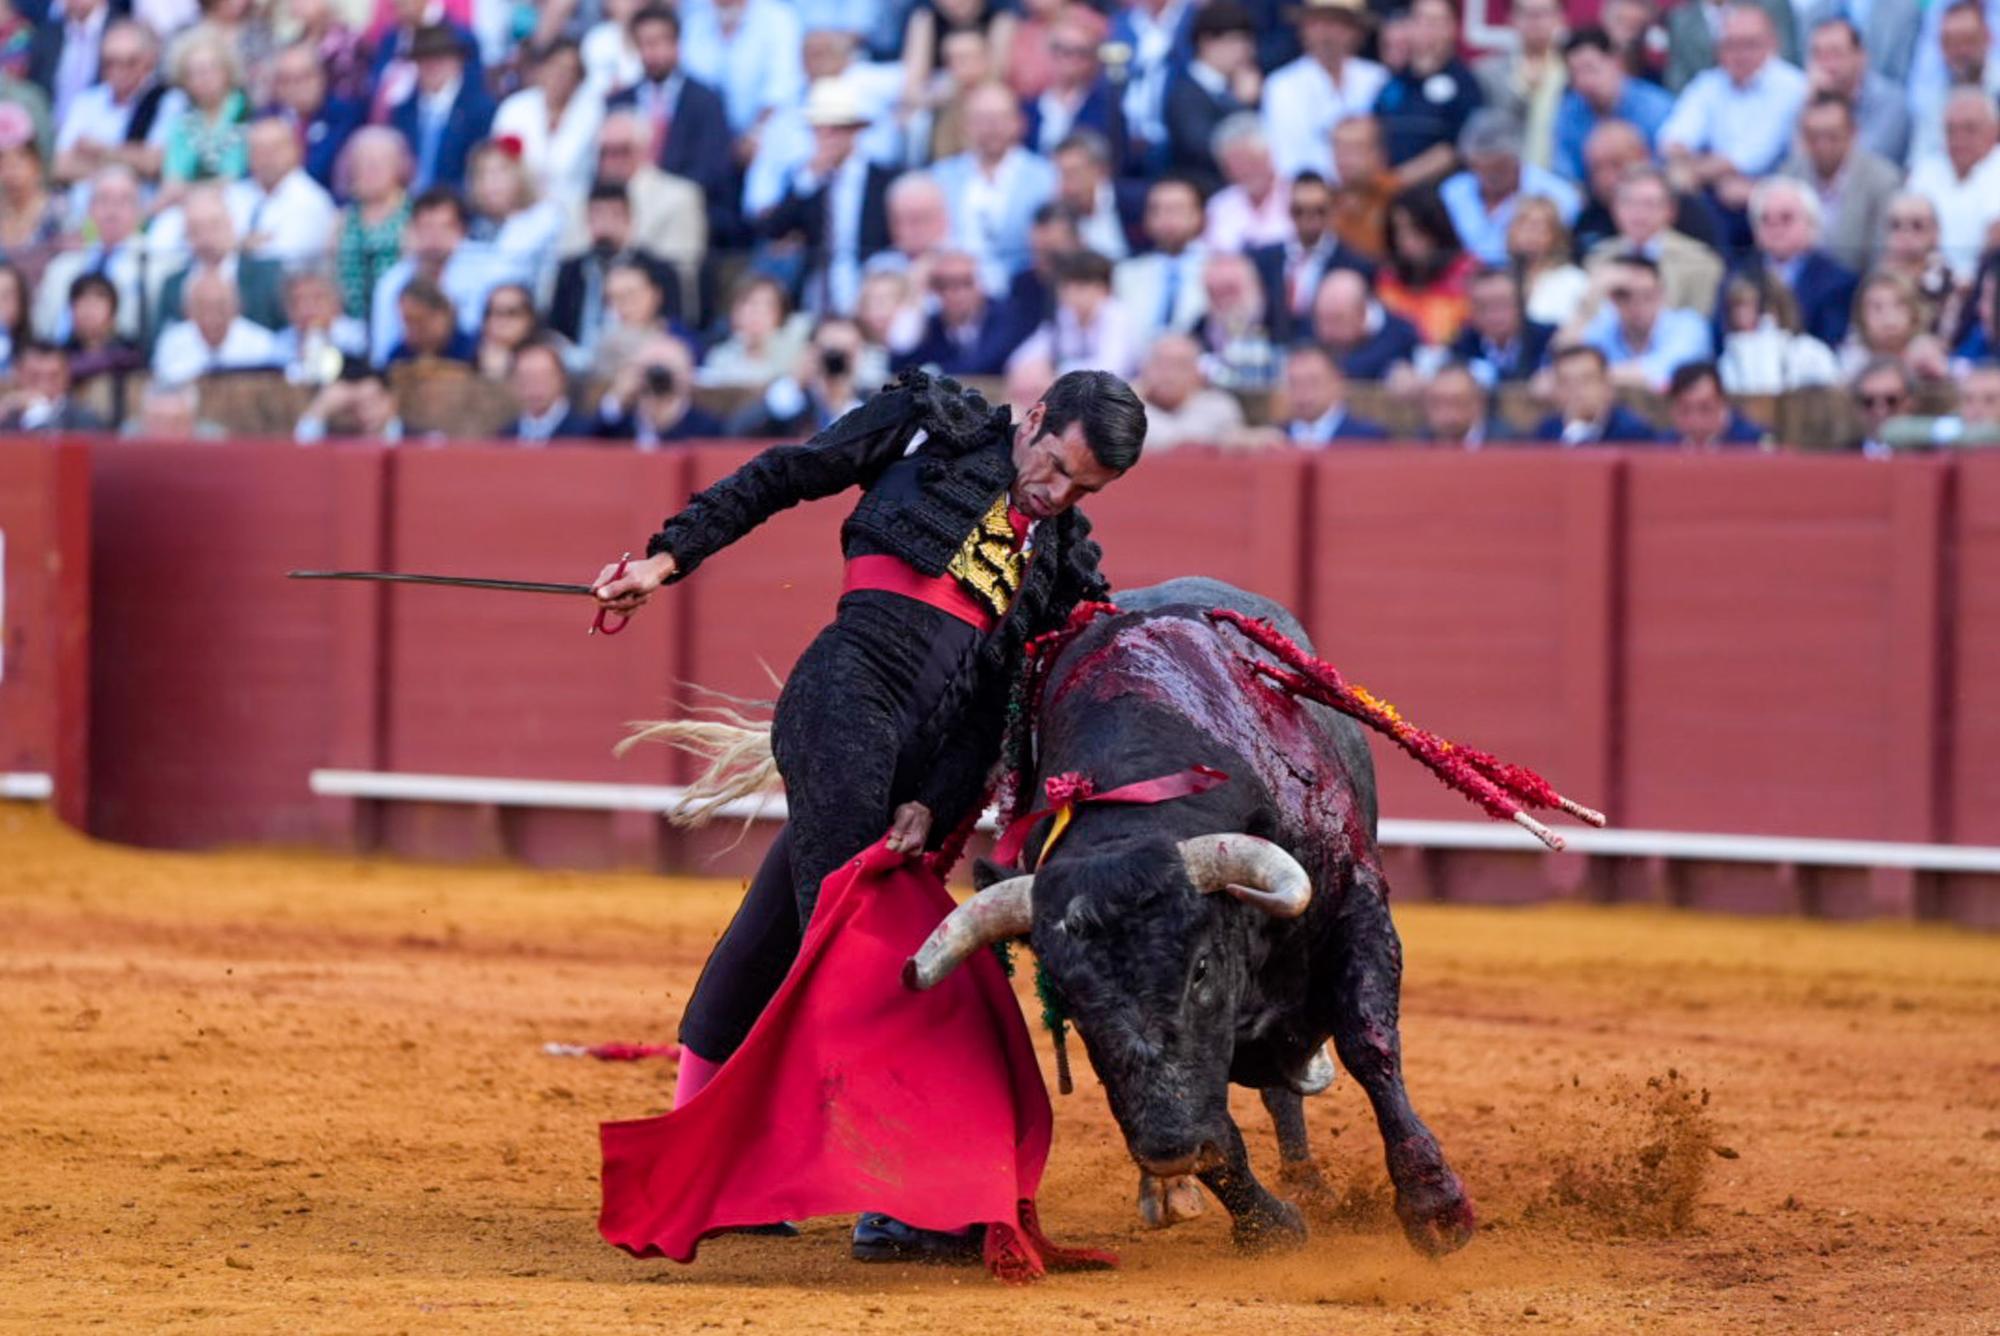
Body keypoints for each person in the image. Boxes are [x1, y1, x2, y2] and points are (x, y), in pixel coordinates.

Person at [591, 366, 1141, 1262]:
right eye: (1055, 465)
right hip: (843, 698)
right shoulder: (933, 428)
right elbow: (782, 474)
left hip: (922, 764)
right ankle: (891, 1192)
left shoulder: (1060, 559)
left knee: (782, 923)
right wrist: (663, 559)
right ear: (1036, 415)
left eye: (1085, 488)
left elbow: (992, 708)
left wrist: (938, 800)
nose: (1057, 493)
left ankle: (712, 1157)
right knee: (861, 936)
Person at [754, 79, 899, 316]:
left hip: (870, 289)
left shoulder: (884, 181)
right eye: (820, 129)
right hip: (817, 293)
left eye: (837, 129)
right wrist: (808, 178)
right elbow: (772, 230)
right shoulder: (806, 180)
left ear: (855, 131)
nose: (828, 137)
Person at [1659, 5, 1808, 213]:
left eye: (1749, 44)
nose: (1739, 54)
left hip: (1772, 195)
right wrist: (1680, 166)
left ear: (1772, 43)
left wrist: (1691, 171)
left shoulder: (1793, 87)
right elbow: (1673, 140)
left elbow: (1751, 157)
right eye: (1730, 45)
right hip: (1713, 192)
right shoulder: (1709, 84)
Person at [606, 2, 735, 239]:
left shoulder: (706, 101)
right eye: (644, 43)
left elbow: (712, 169)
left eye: (659, 42)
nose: (652, 52)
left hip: (688, 213)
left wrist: (665, 195)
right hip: (627, 213)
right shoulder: (618, 102)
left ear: (677, 43)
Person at [931, 82, 1058, 290]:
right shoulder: (940, 176)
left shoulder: (1045, 176)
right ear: (966, 126)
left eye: (999, 119)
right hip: (953, 290)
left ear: (1019, 123)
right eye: (981, 120)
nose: (991, 128)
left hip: (1021, 289)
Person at [49, 18, 183, 193]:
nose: (118, 70)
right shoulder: (87, 100)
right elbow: (60, 165)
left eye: (130, 62)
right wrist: (127, 161)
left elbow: (155, 163)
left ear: (149, 61)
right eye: (109, 62)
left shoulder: (167, 100)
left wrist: (100, 150)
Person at [1722, 177, 1858, 348]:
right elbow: (1722, 334)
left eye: (1786, 218)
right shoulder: (1737, 275)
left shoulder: (1838, 282)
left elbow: (1830, 341)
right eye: (1765, 219)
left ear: (1811, 224)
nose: (1775, 227)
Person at [1437, 107, 1582, 267]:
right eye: (1479, 167)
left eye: (1498, 167)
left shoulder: (1560, 196)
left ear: (1515, 157)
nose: (1490, 176)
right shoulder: (1452, 192)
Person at [1262, 0, 1385, 182]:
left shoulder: (1377, 79)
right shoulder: (1281, 86)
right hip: (1309, 197)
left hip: (1368, 194)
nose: (1327, 34)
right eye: (1318, 24)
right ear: (1304, 30)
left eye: (1337, 24)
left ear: (1356, 32)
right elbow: (1284, 158)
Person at [1778, 93, 1902, 274]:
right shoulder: (1789, 175)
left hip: (1857, 288)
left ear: (1853, 133)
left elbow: (1882, 256)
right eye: (1813, 136)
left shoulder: (1882, 181)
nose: (1822, 144)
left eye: (1832, 136)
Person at [552, 184, 683, 354]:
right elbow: (556, 328)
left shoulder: (659, 271)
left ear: (630, 220)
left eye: (615, 215)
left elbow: (672, 326)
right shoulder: (570, 270)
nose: (606, 225)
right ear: (587, 221)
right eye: (597, 215)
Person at [1247, 171, 1374, 343]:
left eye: (1319, 211)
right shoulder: (1262, 260)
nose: (1309, 219)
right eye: (1299, 211)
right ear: (1288, 211)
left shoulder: (1356, 265)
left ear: (1333, 210)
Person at [1374, 0, 1484, 188]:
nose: (1427, 29)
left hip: (1439, 197)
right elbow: (1374, 132)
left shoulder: (1465, 85)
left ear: (1453, 28)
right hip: (1386, 190)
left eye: (1436, 22)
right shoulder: (1393, 81)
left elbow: (1455, 149)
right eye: (1420, 20)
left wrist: (1396, 180)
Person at [490, 37, 606, 203]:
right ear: (541, 69)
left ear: (579, 78)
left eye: (569, 70)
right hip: (520, 206)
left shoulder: (593, 113)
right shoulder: (514, 109)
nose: (560, 76)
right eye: (555, 67)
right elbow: (501, 162)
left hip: (574, 209)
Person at [1576, 251, 1714, 391]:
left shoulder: (1688, 325)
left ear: (1661, 294)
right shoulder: (1605, 324)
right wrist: (1591, 298)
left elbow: (1663, 373)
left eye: (1647, 295)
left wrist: (1589, 377)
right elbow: (1564, 364)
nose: (1637, 304)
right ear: (1612, 299)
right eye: (1625, 296)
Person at [1553, 27, 1673, 183]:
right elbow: (1565, 175)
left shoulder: (1656, 107)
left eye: (1590, 69)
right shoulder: (1568, 111)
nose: (1584, 81)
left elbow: (1669, 168)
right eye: (1575, 73)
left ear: (1616, 63)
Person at [1163, 0, 1258, 191]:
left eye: (1247, 42)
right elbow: (1207, 150)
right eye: (1235, 41)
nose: (1245, 51)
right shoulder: (1185, 93)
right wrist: (1241, 105)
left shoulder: (1239, 86)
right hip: (1204, 192)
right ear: (1206, 42)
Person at [387, 24, 494, 193]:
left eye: (440, 57)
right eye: (424, 58)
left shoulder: (480, 110)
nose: (432, 65)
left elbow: (478, 171)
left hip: (459, 206)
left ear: (458, 61)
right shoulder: (402, 113)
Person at [1906, 88, 2000, 280]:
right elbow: (1907, 231)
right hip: (1923, 280)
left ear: (1995, 130)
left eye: (1970, 129)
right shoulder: (1926, 171)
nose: (1959, 139)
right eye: (1950, 130)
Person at [731, 317, 874, 436]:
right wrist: (795, 382)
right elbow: (738, 432)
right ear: (812, 352)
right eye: (830, 351)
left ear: (860, 355)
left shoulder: (873, 404)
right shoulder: (791, 400)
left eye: (847, 351)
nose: (837, 360)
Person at [227, 114, 337, 265]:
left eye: (274, 149)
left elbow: (280, 261)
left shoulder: (310, 201)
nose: (266, 158)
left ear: (296, 150)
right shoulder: (234, 195)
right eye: (258, 150)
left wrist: (232, 245)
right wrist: (244, 244)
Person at [1010, 249, 1138, 378]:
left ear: (1103, 289)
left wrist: (1056, 370)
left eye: (1080, 288)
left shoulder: (1117, 315)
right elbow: (1020, 359)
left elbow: (1112, 369)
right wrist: (1032, 366)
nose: (1070, 295)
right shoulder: (1064, 316)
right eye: (1065, 287)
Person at [1472, 0, 1568, 173]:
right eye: (1527, 13)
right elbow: (1482, 136)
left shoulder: (1573, 71)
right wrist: (1522, 94)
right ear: (1511, 19)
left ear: (1560, 18)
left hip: (1559, 180)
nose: (1536, 21)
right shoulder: (1487, 73)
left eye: (1544, 12)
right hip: (1505, 183)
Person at [891, 248, 1020, 375]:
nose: (953, 292)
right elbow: (898, 361)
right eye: (942, 284)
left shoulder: (1004, 315)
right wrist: (916, 292)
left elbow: (985, 362)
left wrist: (934, 374)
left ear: (980, 284)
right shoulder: (934, 325)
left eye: (965, 282)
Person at [1799, 17, 1908, 167]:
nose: (1827, 65)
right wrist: (1811, 104)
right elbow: (1797, 163)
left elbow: (1861, 165)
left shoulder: (1890, 102)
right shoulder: (1809, 96)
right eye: (1819, 55)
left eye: (1835, 54)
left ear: (1861, 56)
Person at [1113, 176, 1210, 343]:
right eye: (1157, 210)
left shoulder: (1218, 268)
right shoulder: (1126, 272)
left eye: (1177, 209)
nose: (1167, 218)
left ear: (1199, 215)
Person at [1377, 186, 1476, 347]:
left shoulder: (1469, 273)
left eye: (1415, 230)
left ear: (1435, 228)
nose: (1405, 241)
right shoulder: (1387, 278)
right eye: (1398, 231)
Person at [1715, 268, 1841, 393]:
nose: (1740, 315)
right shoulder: (1728, 360)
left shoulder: (1811, 353)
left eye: (1747, 306)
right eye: (1735, 307)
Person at [1906, 0, 2000, 167]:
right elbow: (1919, 161)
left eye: (1968, 41)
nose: (1960, 51)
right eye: (1951, 43)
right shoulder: (1934, 101)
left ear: (1988, 38)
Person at [150, 269, 281, 385]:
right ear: (187, 311)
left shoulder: (261, 343)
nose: (211, 317)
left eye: (220, 308)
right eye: (202, 308)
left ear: (237, 307)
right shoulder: (171, 343)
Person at [1020, 4, 1118, 158]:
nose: (1070, 61)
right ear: (1049, 52)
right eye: (1062, 50)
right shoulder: (1027, 109)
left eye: (1080, 53)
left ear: (1093, 59)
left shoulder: (1107, 109)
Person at [597, 333, 724, 446]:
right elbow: (584, 445)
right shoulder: (619, 424)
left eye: (666, 369)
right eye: (649, 369)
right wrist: (616, 399)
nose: (657, 379)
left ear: (688, 375)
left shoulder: (706, 428)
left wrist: (669, 421)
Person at [1135, 330, 1248, 448]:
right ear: (1144, 369)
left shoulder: (1219, 406)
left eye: (1180, 366)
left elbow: (1178, 443)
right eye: (1160, 364)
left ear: (1198, 374)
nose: (1169, 375)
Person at [699, 272, 813, 388]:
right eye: (751, 304)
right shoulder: (719, 358)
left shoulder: (793, 360)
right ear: (735, 312)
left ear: (780, 316)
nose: (758, 313)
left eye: (768, 307)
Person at [1533, 344, 1664, 442]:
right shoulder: (1546, 432)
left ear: (1606, 386)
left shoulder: (1633, 432)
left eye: (1586, 380)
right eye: (1566, 382)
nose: (1576, 390)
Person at [1310, 266, 1422, 379]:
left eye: (1336, 320)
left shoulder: (1403, 337)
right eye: (1320, 319)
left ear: (1362, 313)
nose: (1326, 331)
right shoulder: (1307, 328)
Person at [1202, 114, 1291, 254]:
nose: (1245, 170)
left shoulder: (1296, 196)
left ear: (1268, 156)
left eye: (1250, 161)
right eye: (1236, 165)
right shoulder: (1218, 207)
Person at [1450, 265, 1555, 384]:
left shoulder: (1550, 340)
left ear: (1522, 303)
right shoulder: (1461, 348)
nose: (1493, 315)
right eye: (1482, 307)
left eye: (1502, 304)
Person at [1664, 0, 1798, 93]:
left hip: (1769, 96)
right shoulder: (1680, 19)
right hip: (1708, 106)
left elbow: (1786, 57)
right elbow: (1677, 80)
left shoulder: (1771, 4)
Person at [1838, 270, 1950, 381]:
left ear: (1914, 311)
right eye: (1877, 307)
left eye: (1899, 305)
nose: (1888, 317)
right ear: (1860, 316)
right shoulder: (1850, 362)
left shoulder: (1928, 354)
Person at [1276, 340, 1388, 444]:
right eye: (1294, 383)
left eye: (1312, 383)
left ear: (1337, 383)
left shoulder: (1368, 439)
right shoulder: (1274, 440)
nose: (1302, 393)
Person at [1505, 194, 1589, 328]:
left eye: (1539, 227)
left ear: (1556, 235)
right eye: (1523, 225)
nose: (1530, 234)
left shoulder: (1574, 280)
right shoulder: (1498, 278)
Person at [1327, 115, 1397, 261]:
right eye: (1338, 147)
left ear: (1379, 154)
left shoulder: (1397, 198)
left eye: (1355, 149)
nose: (1343, 157)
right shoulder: (1325, 201)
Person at [499, 338, 596, 443]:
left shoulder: (588, 434)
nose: (534, 386)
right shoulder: (504, 438)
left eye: (543, 377)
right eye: (526, 378)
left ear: (561, 378)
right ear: (514, 383)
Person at [0, 340, 106, 430]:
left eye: (53, 377)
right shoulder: (6, 415)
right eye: (35, 377)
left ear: (66, 376)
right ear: (19, 374)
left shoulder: (84, 420)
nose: (44, 386)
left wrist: (38, 414)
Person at [294, 362, 407, 444]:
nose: (366, 413)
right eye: (357, 405)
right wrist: (320, 408)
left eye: (373, 402)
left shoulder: (414, 439)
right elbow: (301, 456)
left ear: (392, 401)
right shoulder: (340, 442)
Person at [1668, 360, 1768, 446]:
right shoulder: (1664, 445)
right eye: (1685, 410)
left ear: (1722, 403)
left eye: (1705, 408)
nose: (1695, 421)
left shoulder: (1754, 443)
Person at [383, 275, 477, 366]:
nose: (413, 331)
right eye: (407, 323)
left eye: (419, 322)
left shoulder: (473, 351)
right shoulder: (400, 357)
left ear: (442, 315)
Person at [1419, 359, 1509, 446]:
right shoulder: (1417, 444)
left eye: (1456, 402)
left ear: (1479, 402)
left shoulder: (1510, 443)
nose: (1447, 413)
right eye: (1437, 404)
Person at [1849, 354, 1912, 455]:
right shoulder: (1842, 457)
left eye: (1891, 401)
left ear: (1908, 403)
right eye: (1868, 402)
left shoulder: (1928, 456)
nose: (1879, 410)